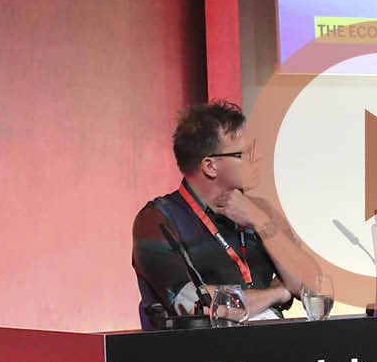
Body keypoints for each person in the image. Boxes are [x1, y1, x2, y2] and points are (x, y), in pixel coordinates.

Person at [132, 100, 317, 324]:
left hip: (271, 340)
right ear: (210, 166)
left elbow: (316, 290)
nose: (257, 157)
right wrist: (278, 293)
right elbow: (196, 305)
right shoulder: (157, 219)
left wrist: (261, 223)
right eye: (245, 153)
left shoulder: (260, 210)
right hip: (203, 345)